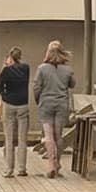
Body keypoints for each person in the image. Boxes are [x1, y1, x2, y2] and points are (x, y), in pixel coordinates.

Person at [32, 40, 75, 178]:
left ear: (48, 52)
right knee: (58, 137)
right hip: (62, 104)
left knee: (48, 136)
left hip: (46, 103)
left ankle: (51, 163)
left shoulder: (42, 68)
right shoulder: (68, 70)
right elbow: (72, 84)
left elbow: (36, 87)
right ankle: (58, 165)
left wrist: (39, 100)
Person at [0, 45, 30, 177]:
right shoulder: (26, 68)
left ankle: (9, 169)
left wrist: (5, 95)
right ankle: (22, 169)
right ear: (20, 56)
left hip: (9, 105)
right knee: (22, 139)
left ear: (10, 57)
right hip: (23, 105)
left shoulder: (6, 71)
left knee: (9, 139)